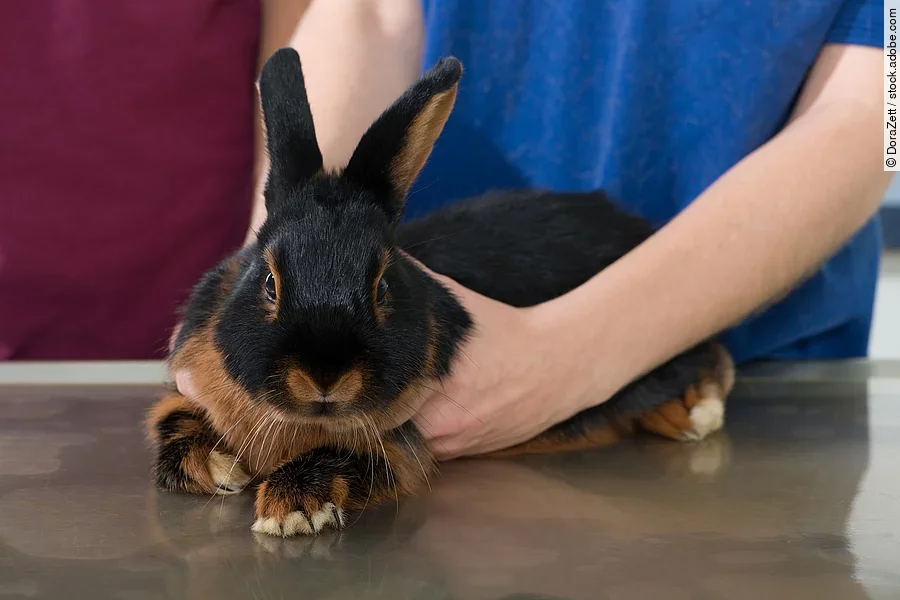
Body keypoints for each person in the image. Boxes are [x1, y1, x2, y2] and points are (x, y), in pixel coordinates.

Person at [3, 1, 889, 459]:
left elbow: (875, 115)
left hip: (736, 395)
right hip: (421, 368)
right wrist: (289, 253)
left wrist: (570, 355)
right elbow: (372, 12)